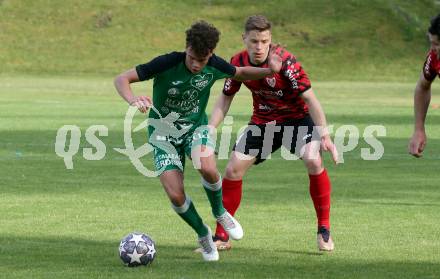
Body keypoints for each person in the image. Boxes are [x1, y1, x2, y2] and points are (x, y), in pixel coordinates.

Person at [114, 20, 282, 261]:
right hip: (162, 133)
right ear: (187, 47)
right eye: (192, 57)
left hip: (195, 127)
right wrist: (132, 100)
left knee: (208, 167)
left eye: (201, 60)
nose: (195, 64)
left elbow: (242, 73)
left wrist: (270, 70)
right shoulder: (167, 62)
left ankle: (220, 211)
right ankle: (203, 233)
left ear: (210, 54)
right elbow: (122, 79)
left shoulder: (213, 64)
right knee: (175, 195)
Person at [208, 15, 338, 252]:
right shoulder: (237, 63)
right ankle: (221, 236)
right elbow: (224, 99)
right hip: (263, 122)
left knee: (312, 158)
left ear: (270, 40)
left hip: (297, 121)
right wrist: (209, 130)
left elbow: (311, 98)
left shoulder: (287, 63)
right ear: (244, 38)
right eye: (254, 41)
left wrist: (325, 137)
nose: (259, 47)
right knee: (232, 169)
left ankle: (324, 229)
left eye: (264, 41)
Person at [409, 14, 440, 158]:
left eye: (437, 44)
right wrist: (419, 129)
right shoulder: (434, 58)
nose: (432, 49)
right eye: (431, 42)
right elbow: (422, 87)